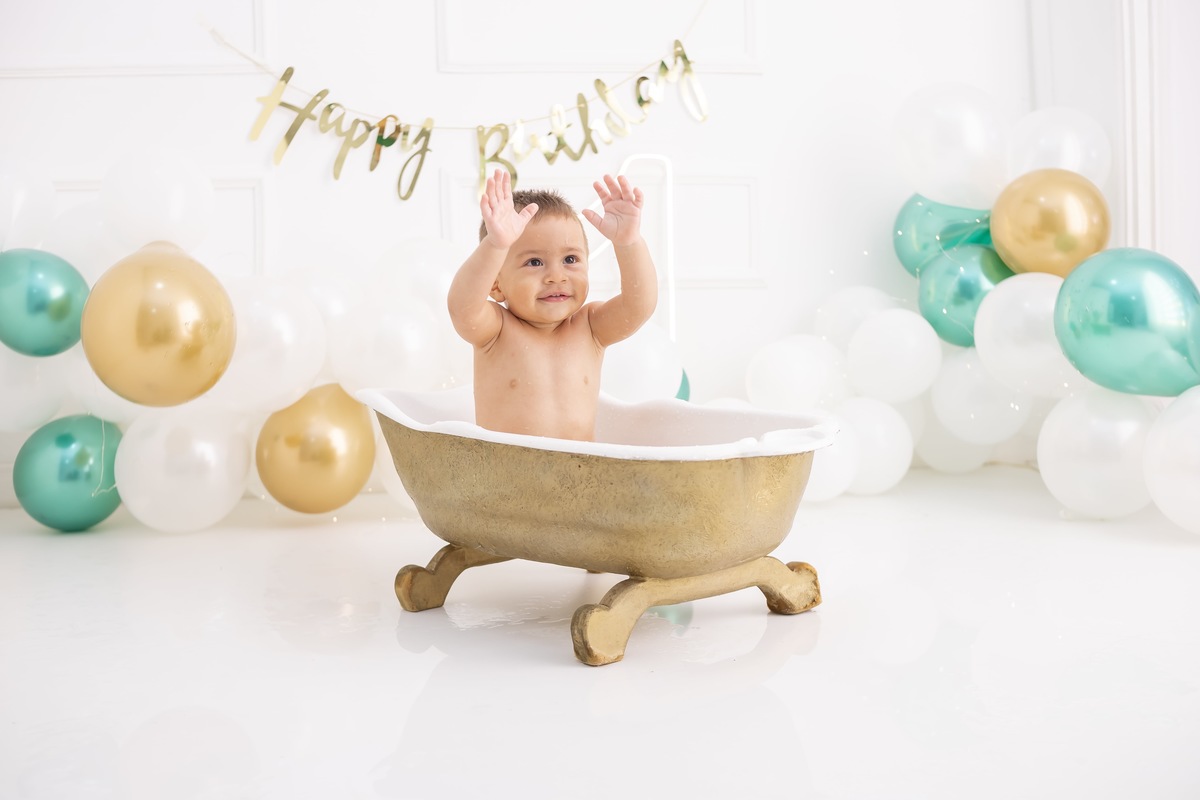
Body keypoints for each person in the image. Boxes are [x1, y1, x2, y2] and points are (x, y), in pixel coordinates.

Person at [448, 169, 658, 441]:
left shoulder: (590, 327)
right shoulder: (496, 331)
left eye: (570, 259)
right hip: (507, 478)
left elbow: (639, 305)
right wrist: (495, 246)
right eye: (534, 262)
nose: (556, 276)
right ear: (496, 285)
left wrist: (629, 243)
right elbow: (462, 307)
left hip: (579, 476)